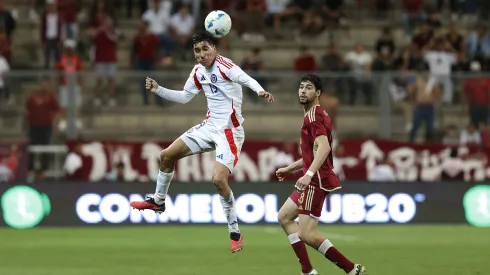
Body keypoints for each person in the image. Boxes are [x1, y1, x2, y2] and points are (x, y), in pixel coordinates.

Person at [130, 31, 274, 253]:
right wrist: (158, 89)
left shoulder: (226, 66)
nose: (201, 54)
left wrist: (260, 90)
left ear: (214, 49)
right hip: (208, 127)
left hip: (229, 131)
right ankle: (158, 201)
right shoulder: (198, 71)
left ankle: (234, 232)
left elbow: (245, 78)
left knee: (218, 180)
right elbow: (185, 97)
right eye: (197, 50)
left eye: (206, 49)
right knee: (166, 156)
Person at [275, 75, 366, 275]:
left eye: (308, 88)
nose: (303, 91)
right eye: (301, 87)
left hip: (315, 181)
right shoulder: (316, 114)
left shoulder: (314, 116)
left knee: (307, 233)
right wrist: (290, 168)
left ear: (317, 94)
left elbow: (323, 148)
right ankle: (307, 270)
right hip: (316, 177)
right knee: (284, 217)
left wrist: (308, 174)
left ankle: (351, 269)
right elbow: (315, 152)